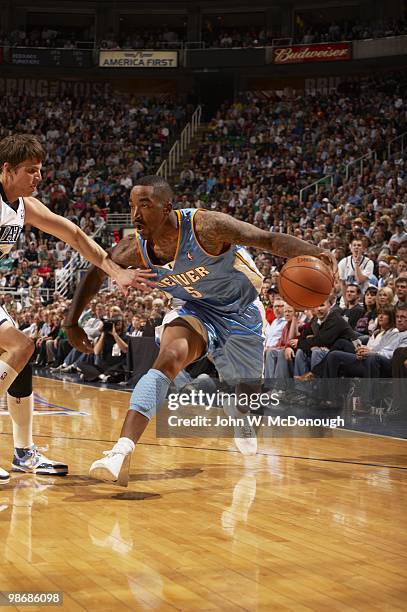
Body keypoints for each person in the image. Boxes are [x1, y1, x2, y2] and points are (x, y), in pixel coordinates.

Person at [65, 175, 336, 486]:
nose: (136, 215)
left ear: (167, 207)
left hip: (242, 313)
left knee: (248, 396)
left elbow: (269, 239)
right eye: (131, 207)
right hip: (196, 311)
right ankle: (120, 452)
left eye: (145, 205)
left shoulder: (206, 227)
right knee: (169, 357)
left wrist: (317, 254)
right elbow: (98, 270)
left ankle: (243, 417)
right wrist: (71, 320)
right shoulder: (134, 249)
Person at [0, 134, 155, 484]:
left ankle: (24, 453)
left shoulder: (25, 206)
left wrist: (116, 271)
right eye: (30, 171)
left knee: (22, 357)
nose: (38, 178)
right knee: (20, 347)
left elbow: (73, 235)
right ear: (6, 170)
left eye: (40, 170)